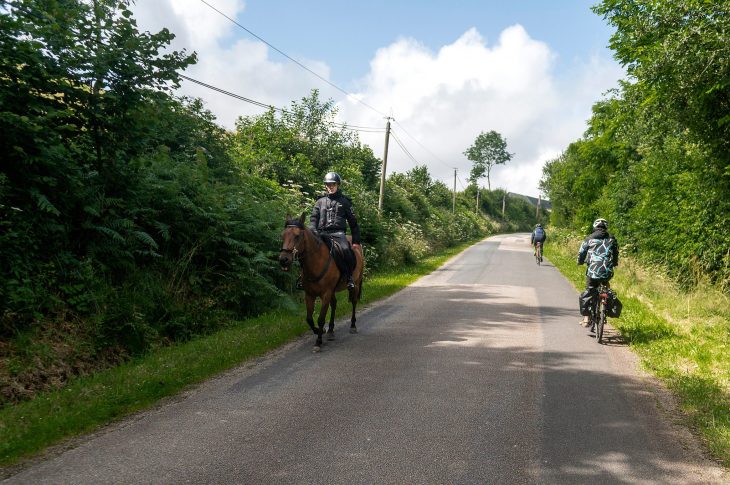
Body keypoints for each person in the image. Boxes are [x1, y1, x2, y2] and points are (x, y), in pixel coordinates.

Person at [309, 172, 361, 289]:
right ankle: (304, 279)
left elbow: (354, 223)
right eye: (328, 184)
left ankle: (349, 278)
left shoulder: (345, 202)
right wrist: (313, 230)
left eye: (333, 184)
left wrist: (356, 241)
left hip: (338, 234)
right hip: (321, 234)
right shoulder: (319, 202)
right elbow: (313, 219)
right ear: (325, 186)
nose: (330, 187)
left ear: (338, 185)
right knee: (306, 250)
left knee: (346, 250)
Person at [577, 218, 619, 327]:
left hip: (593, 271)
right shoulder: (612, 239)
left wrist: (580, 261)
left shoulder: (589, 239)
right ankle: (606, 304)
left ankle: (586, 319)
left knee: (590, 290)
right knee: (606, 285)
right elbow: (616, 253)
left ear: (595, 227)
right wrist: (614, 263)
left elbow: (582, 252)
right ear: (606, 227)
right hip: (607, 271)